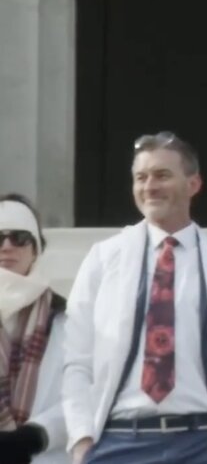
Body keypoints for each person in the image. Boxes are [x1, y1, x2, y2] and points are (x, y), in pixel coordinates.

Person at [62, 132, 207, 464]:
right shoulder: (102, 259)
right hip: (118, 444)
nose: (150, 186)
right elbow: (76, 360)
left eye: (162, 175)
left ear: (193, 184)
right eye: (141, 177)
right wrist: (82, 442)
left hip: (206, 444)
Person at [0, 195, 68, 464]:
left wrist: (36, 436)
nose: (7, 246)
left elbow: (85, 393)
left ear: (36, 249)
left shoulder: (67, 318)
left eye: (19, 237)